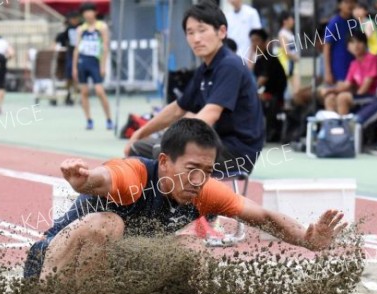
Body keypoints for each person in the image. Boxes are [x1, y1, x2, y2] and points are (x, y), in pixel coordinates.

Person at [23, 118, 347, 279]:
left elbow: (262, 217)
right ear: (165, 162)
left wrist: (306, 238)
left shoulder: (203, 190)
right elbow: (103, 179)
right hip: (51, 264)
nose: (198, 180)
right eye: (191, 168)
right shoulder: (135, 176)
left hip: (111, 271)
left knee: (191, 249)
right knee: (107, 224)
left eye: (206, 170)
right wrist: (84, 181)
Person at [125, 1, 265, 174]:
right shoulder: (205, 68)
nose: (196, 38)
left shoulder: (230, 65)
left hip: (236, 153)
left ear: (222, 32)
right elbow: (177, 108)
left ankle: (171, 201)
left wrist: (170, 140)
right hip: (212, 144)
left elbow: (210, 114)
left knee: (162, 154)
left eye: (202, 30)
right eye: (190, 33)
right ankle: (143, 200)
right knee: (139, 148)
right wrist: (139, 132)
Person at [320, 31, 377, 115]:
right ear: (347, 47)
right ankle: (332, 125)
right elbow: (346, 85)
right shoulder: (354, 64)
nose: (356, 45)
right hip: (363, 96)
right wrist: (330, 91)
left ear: (365, 44)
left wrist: (353, 97)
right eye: (352, 42)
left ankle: (344, 126)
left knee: (343, 98)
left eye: (359, 42)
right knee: (330, 98)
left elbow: (365, 88)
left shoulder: (372, 59)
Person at [72, 2, 113, 130]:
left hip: (95, 62)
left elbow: (105, 47)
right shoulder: (81, 29)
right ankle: (89, 119)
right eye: (85, 12)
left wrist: (103, 65)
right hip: (83, 62)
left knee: (100, 91)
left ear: (95, 12)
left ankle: (108, 118)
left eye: (90, 11)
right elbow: (77, 49)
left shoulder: (102, 27)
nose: (88, 14)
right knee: (84, 92)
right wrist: (74, 67)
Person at [250, 29, 287, 141]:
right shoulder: (259, 60)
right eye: (252, 41)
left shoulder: (269, 58)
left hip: (274, 97)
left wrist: (250, 92)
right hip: (265, 95)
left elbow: (261, 81)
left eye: (257, 41)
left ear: (265, 42)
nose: (254, 44)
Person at [323, 0, 356, 86]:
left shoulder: (355, 22)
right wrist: (328, 72)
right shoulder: (334, 23)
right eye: (346, 2)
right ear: (339, 5)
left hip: (353, 66)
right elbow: (326, 47)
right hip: (338, 68)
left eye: (352, 2)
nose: (349, 5)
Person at [55, 11, 82, 106]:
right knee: (69, 75)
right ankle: (69, 95)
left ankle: (79, 95)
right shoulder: (68, 29)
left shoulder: (82, 27)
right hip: (70, 54)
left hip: (81, 53)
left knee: (79, 76)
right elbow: (59, 38)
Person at [225, 0, 262, 65]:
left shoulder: (251, 13)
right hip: (233, 60)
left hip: (249, 60)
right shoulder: (228, 16)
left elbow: (257, 37)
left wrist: (251, 59)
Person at [278, 11, 300, 91]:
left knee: (296, 89)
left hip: (292, 63)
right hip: (287, 65)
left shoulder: (289, 33)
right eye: (291, 19)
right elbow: (286, 51)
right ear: (285, 21)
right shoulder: (282, 34)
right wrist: (295, 57)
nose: (293, 21)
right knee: (294, 89)